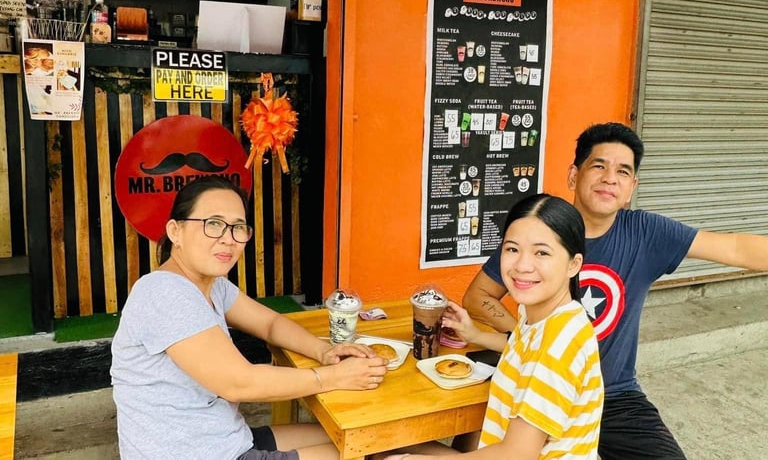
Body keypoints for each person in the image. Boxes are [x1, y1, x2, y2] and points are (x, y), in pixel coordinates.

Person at [462, 122, 768, 460]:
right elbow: (478, 296)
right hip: (538, 383)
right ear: (573, 175)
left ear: (632, 187)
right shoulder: (540, 232)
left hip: (615, 397)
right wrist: (530, 341)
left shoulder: (646, 233)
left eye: (623, 171)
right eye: (599, 166)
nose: (610, 178)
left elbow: (736, 248)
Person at [110, 175, 388, 460]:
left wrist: (324, 351)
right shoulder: (163, 291)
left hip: (226, 440)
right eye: (213, 224)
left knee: (374, 438)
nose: (228, 239)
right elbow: (238, 382)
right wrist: (333, 377)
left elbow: (270, 324)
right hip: (197, 454)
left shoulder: (211, 285)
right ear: (175, 231)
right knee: (371, 452)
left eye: (238, 227)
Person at [382, 193, 604, 460]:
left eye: (541, 253)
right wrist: (475, 334)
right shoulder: (547, 316)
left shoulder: (559, 345)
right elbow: (524, 348)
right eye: (512, 249)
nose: (522, 265)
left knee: (384, 452)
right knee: (388, 442)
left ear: (573, 264)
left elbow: (517, 454)